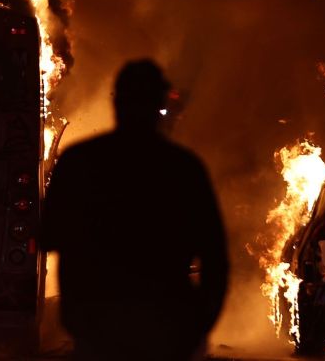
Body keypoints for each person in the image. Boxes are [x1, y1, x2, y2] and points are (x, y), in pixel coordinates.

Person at [42, 59, 229, 361]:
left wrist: (75, 318)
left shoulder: (79, 161)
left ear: (117, 101)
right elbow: (215, 257)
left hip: (99, 325)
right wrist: (199, 324)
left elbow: (52, 237)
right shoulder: (184, 168)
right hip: (166, 326)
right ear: (160, 104)